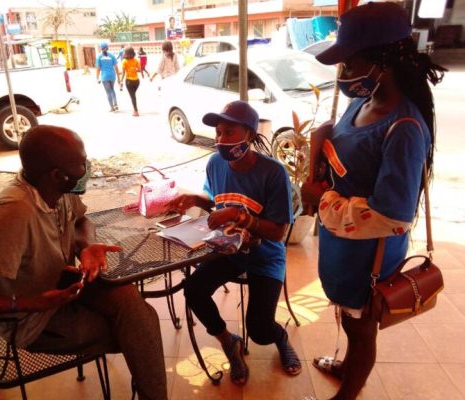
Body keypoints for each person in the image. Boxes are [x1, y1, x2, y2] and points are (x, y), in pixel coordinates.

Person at [0, 125, 168, 400]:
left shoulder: (58, 188)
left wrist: (86, 246)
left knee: (134, 308)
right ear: (57, 175)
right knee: (137, 332)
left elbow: (81, 221)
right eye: (82, 163)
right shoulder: (15, 213)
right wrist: (31, 303)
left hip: (65, 286)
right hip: (33, 319)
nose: (87, 168)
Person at [300, 3, 446, 400]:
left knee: (361, 328)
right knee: (350, 320)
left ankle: (348, 393)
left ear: (382, 63)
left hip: (370, 255)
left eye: (349, 63)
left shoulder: (405, 128)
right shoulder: (363, 101)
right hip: (343, 246)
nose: (342, 73)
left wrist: (322, 199)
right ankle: (347, 369)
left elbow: (390, 216)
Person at [166, 101, 301, 386]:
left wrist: (240, 216)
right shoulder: (215, 163)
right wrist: (194, 199)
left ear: (249, 134)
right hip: (229, 251)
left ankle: (280, 336)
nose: (221, 139)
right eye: (218, 132)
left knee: (260, 331)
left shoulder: (273, 172)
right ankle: (229, 342)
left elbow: (278, 232)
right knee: (194, 290)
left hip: (265, 255)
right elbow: (216, 203)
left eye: (229, 132)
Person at [95, 42, 121, 112]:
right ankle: (115, 104)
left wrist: (97, 78)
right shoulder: (112, 56)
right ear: (107, 48)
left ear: (101, 48)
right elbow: (116, 67)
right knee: (112, 90)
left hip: (104, 77)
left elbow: (98, 69)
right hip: (112, 76)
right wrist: (119, 78)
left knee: (108, 92)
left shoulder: (99, 57)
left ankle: (112, 108)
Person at [120, 47, 141, 117]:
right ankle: (135, 109)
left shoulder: (124, 61)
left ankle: (136, 111)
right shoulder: (136, 60)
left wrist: (121, 81)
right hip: (137, 81)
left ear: (125, 53)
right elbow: (140, 70)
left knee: (132, 96)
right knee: (133, 95)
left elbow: (123, 73)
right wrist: (134, 70)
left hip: (129, 81)